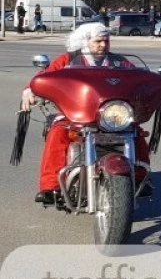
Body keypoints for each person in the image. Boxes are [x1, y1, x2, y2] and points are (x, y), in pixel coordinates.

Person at [20, 23, 151, 204]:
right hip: (75, 114)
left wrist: (152, 90)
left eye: (106, 41)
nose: (103, 45)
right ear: (85, 41)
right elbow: (45, 76)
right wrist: (30, 90)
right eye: (98, 41)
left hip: (110, 115)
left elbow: (139, 78)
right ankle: (50, 187)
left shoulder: (120, 62)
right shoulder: (68, 60)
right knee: (57, 132)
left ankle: (140, 178)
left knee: (135, 132)